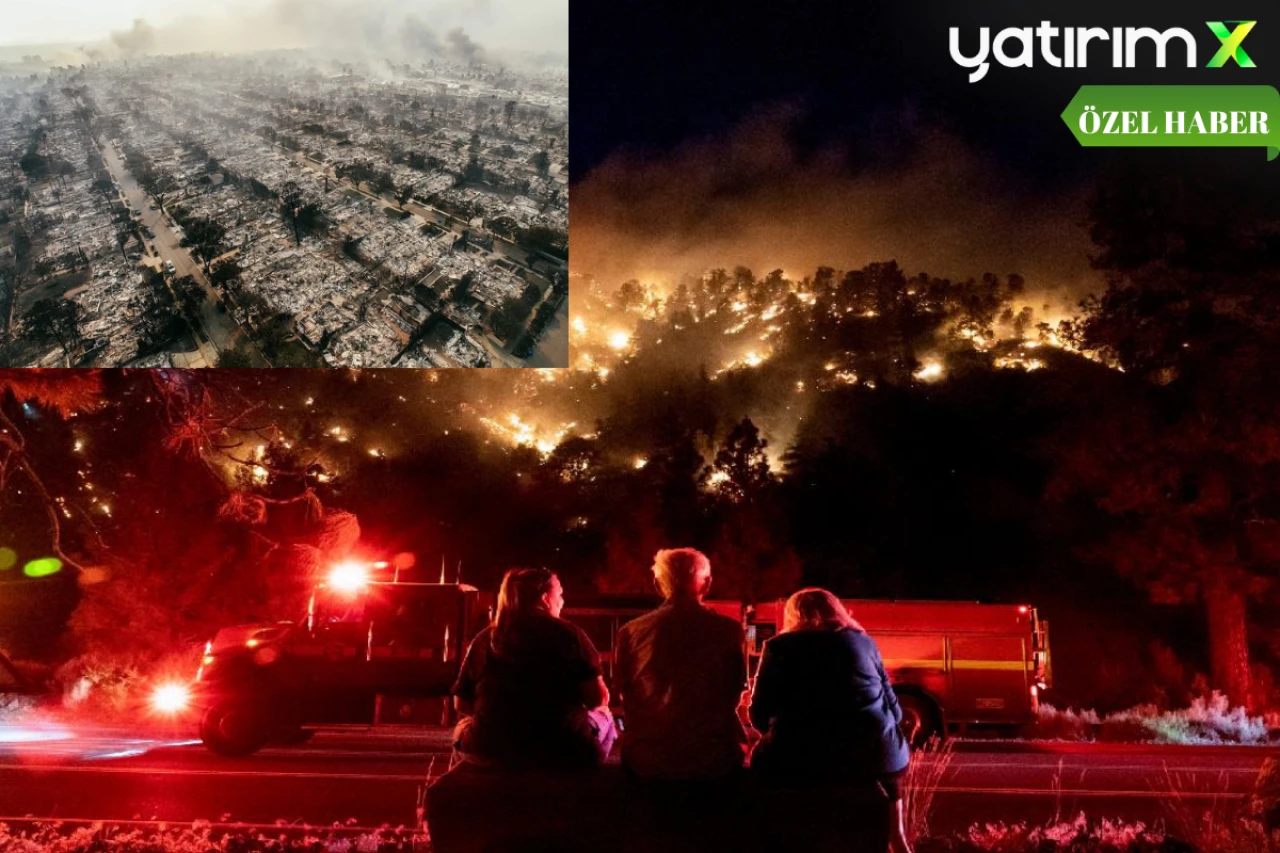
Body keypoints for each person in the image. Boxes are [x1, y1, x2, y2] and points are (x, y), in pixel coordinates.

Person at [749, 588, 912, 853]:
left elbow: (759, 715)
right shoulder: (865, 643)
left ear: (793, 616)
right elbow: (896, 713)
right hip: (878, 757)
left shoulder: (779, 647)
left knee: (759, 780)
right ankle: (898, 840)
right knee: (896, 836)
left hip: (801, 759)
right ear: (838, 611)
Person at [451, 567, 615, 769]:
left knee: (462, 729)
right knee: (605, 715)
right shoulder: (569, 635)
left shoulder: (485, 639)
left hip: (492, 750)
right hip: (563, 751)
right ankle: (588, 777)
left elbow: (461, 703)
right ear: (545, 598)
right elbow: (597, 699)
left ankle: (468, 782)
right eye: (560, 594)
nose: (562, 601)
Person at [613, 548, 748, 780]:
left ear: (657, 584)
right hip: (713, 757)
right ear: (707, 584)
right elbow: (734, 693)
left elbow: (624, 692)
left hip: (647, 758)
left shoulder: (630, 632)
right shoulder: (729, 631)